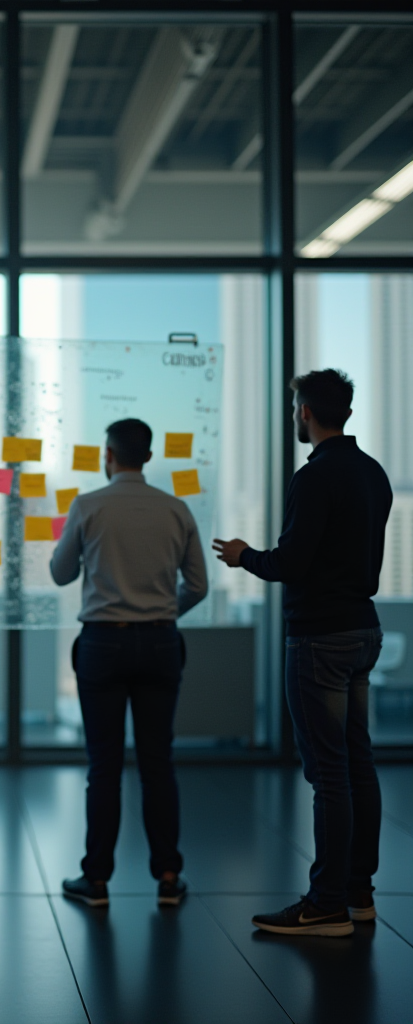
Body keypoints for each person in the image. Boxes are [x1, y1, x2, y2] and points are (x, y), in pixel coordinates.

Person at [214, 369, 391, 938]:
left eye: (296, 408)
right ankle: (358, 893)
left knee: (329, 774)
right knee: (358, 764)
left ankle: (325, 904)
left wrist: (244, 555)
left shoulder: (315, 477)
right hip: (363, 630)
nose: (295, 417)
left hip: (319, 638)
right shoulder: (373, 473)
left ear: (307, 412)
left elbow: (291, 563)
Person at [50, 418, 207, 909]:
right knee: (158, 764)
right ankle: (167, 875)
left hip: (103, 644)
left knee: (105, 766)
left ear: (108, 454)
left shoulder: (88, 505)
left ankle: (96, 880)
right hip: (160, 643)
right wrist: (159, 614)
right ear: (149, 455)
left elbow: (59, 573)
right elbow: (198, 585)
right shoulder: (176, 509)